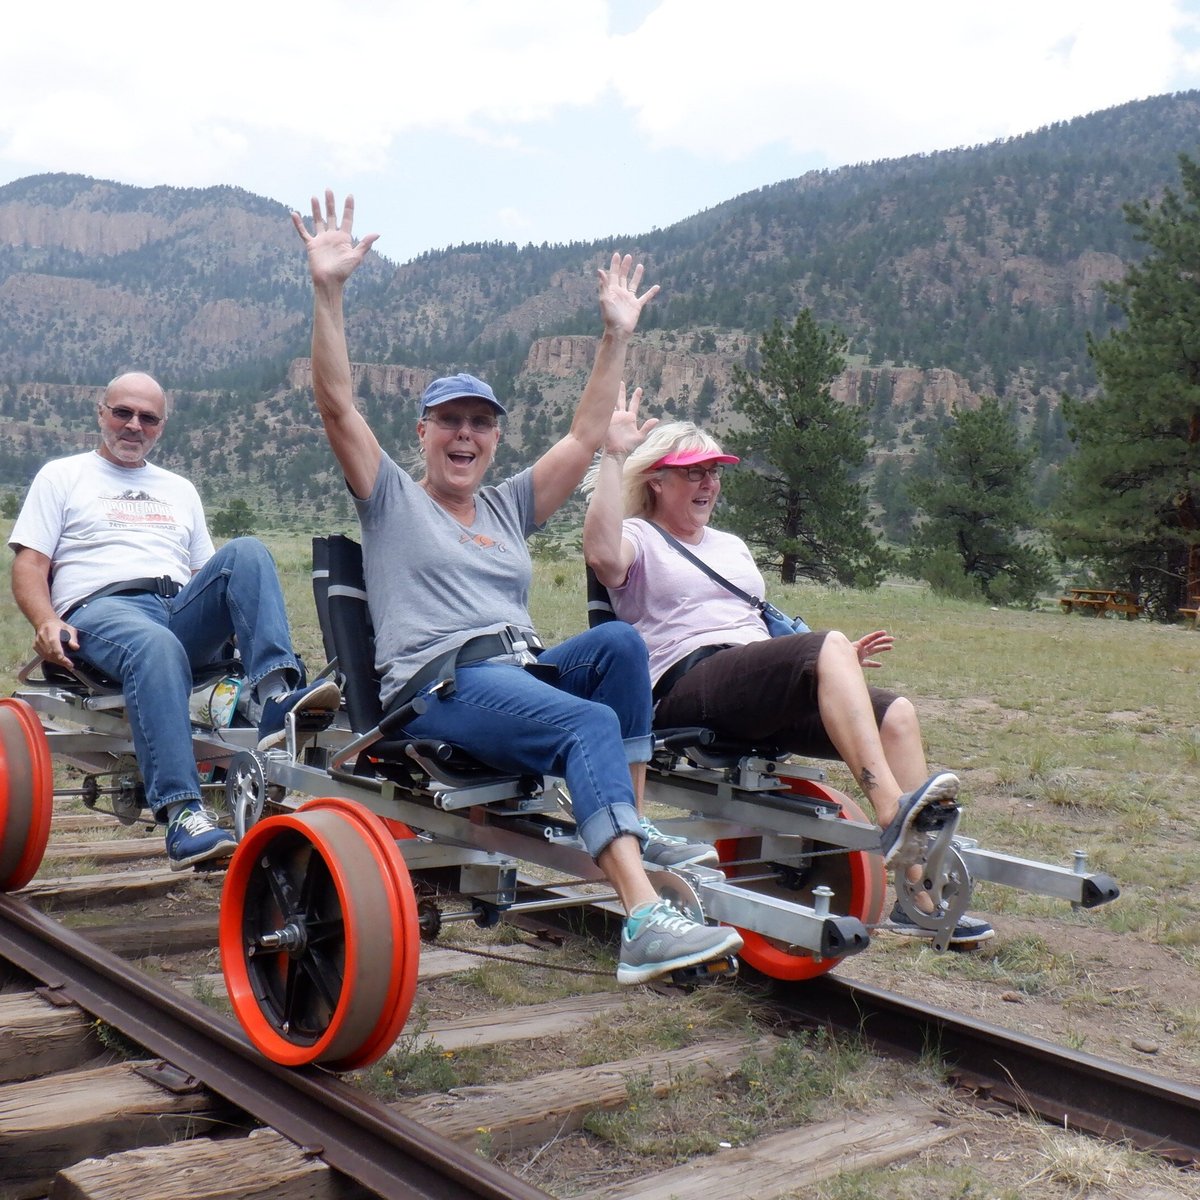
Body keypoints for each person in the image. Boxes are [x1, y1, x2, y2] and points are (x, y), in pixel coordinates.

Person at [294, 190, 743, 985]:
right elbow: (336, 404)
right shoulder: (392, 498)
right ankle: (642, 917)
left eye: (480, 423)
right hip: (444, 686)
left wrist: (615, 336)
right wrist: (328, 292)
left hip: (518, 671)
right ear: (423, 433)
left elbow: (583, 433)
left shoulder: (508, 506)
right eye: (449, 422)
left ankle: (626, 824)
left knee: (618, 643)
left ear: (495, 436)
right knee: (585, 725)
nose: (465, 435)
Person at [582, 397, 994, 944]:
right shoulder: (639, 537)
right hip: (687, 682)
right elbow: (601, 554)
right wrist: (611, 454)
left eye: (713, 472)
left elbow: (758, 624)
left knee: (896, 712)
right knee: (825, 647)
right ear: (656, 481)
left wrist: (836, 665)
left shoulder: (731, 546)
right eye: (692, 474)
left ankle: (916, 896)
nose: (708, 484)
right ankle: (895, 812)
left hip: (755, 682)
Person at [9, 371, 341, 871]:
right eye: (122, 413)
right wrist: (46, 619)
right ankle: (183, 812)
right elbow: (30, 564)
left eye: (147, 418)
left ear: (161, 427)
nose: (133, 425)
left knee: (247, 552)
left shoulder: (179, 489)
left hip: (174, 607)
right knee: (155, 645)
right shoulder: (62, 475)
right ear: (101, 413)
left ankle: (274, 698)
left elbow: (205, 577)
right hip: (101, 611)